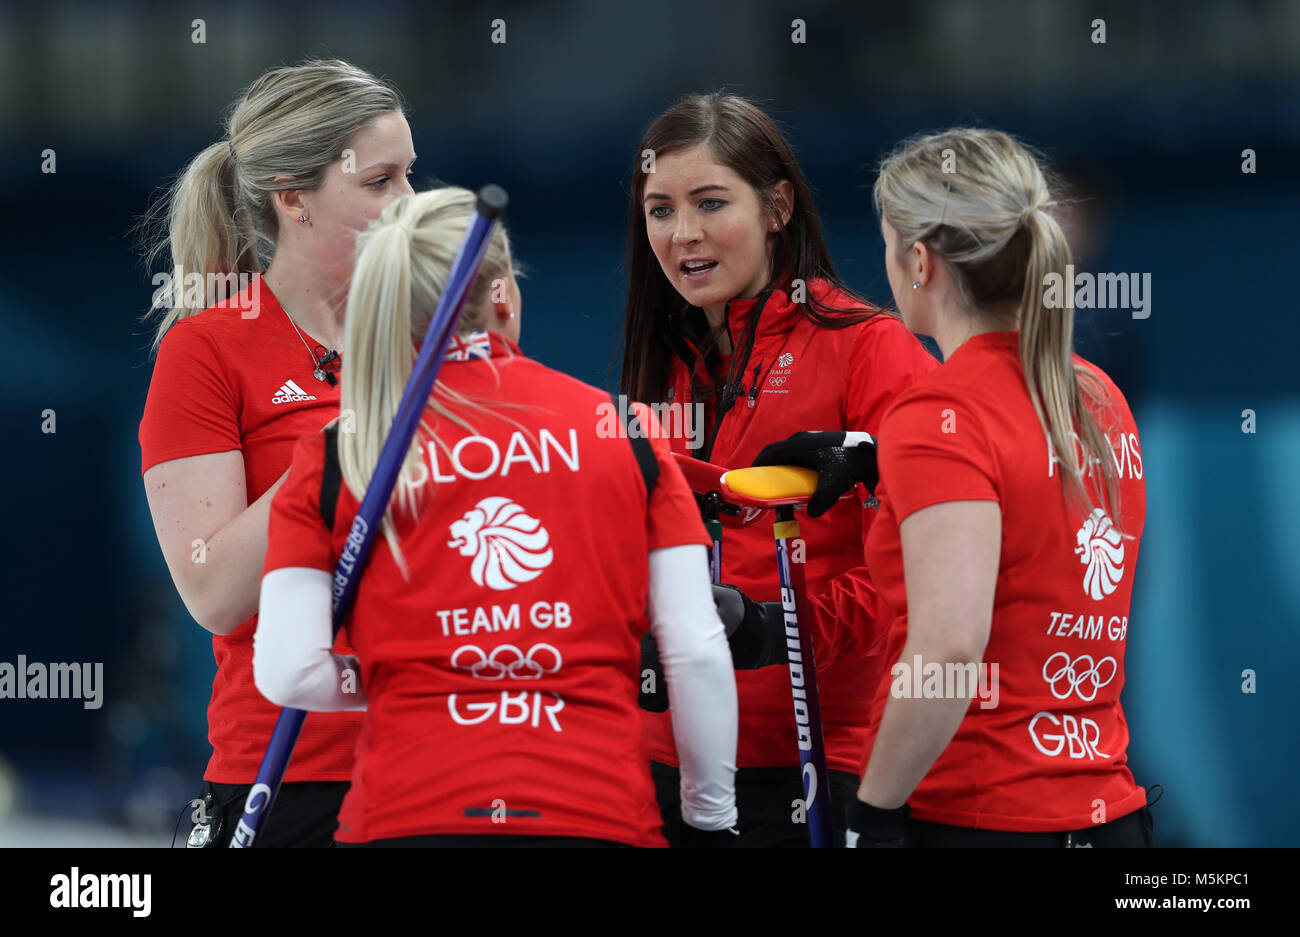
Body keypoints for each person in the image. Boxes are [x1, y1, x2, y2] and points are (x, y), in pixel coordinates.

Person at [253, 187, 739, 848]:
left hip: (404, 818)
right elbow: (696, 649)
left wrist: (418, 673)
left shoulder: (340, 451)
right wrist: (710, 816)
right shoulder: (624, 428)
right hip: (595, 815)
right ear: (503, 295)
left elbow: (290, 672)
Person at [785, 128, 1150, 847]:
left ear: (919, 261)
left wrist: (874, 811)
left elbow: (951, 648)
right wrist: (880, 458)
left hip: (976, 818)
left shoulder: (936, 413)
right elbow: (1023, 514)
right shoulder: (1096, 395)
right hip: (1107, 814)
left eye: (889, 245)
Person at [621, 92, 937, 847]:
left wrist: (772, 629)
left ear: (777, 206)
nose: (683, 232)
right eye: (660, 209)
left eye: (710, 202)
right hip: (666, 766)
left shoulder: (871, 347)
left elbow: (924, 575)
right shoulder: (662, 359)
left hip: (821, 765)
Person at [138, 59, 416, 846]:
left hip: (437, 758)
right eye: (380, 181)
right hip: (290, 776)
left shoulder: (427, 336)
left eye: (410, 176)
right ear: (292, 198)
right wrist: (350, 438)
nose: (408, 205)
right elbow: (214, 590)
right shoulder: (206, 349)